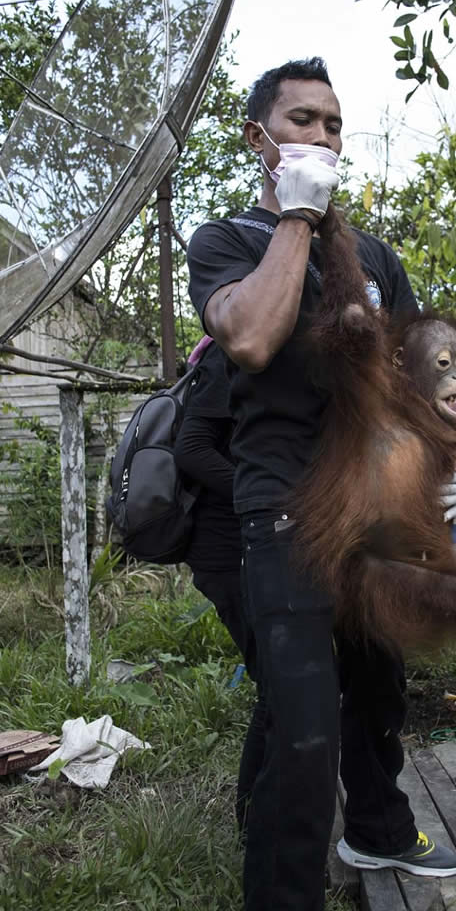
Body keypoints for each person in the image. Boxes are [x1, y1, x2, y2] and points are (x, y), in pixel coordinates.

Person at [186, 57, 456, 911]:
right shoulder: (227, 241)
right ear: (259, 139)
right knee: (305, 737)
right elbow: (249, 337)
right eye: (304, 121)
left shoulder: (378, 259)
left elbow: (420, 372)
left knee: (382, 689)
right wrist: (298, 215)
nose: (325, 138)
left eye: (335, 126)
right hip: (282, 513)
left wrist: (453, 441)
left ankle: (379, 832)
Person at [174, 338, 265, 832]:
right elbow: (191, 449)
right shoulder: (223, 353)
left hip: (250, 542)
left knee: (281, 678)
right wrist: (260, 493)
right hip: (224, 549)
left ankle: (266, 813)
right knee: (277, 681)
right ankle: (254, 823)